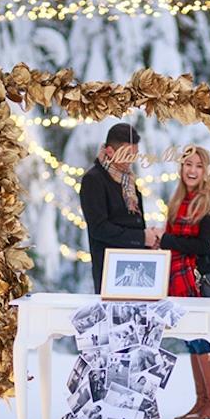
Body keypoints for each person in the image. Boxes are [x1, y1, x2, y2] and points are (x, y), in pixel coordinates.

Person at [151, 145, 210, 419]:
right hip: (177, 276)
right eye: (187, 165)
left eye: (198, 165)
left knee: (203, 338)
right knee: (191, 338)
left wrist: (167, 240)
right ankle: (202, 401)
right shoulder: (177, 200)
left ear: (206, 171)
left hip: (197, 277)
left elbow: (202, 244)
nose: (192, 170)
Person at [80, 123, 159, 293]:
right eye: (127, 155)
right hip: (111, 273)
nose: (132, 160)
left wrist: (148, 240)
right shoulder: (93, 180)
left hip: (137, 268)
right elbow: (99, 229)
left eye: (135, 155)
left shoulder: (128, 180)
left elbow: (133, 223)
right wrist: (141, 237)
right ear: (109, 151)